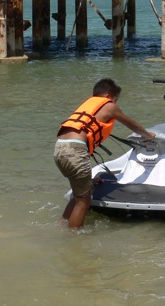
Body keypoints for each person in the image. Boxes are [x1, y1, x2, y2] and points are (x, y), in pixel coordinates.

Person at [55, 77, 155, 229]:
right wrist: (147, 135)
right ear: (108, 97)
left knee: (79, 194)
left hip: (60, 149)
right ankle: (74, 240)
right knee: (84, 200)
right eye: (115, 100)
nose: (115, 104)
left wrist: (89, 181)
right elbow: (132, 124)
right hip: (75, 150)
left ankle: (61, 224)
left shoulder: (87, 105)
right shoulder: (108, 105)